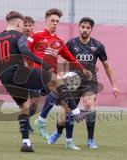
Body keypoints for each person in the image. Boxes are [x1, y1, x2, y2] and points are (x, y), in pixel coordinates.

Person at [0, 11, 84, 152]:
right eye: (23, 25)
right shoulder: (19, 36)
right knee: (57, 80)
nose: (24, 27)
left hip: (4, 79)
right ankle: (76, 111)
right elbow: (24, 50)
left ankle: (26, 143)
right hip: (18, 73)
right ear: (18, 23)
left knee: (24, 107)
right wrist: (44, 65)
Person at [48, 17, 120, 149]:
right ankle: (58, 132)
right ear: (79, 27)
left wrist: (114, 85)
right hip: (72, 82)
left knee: (89, 104)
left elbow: (107, 66)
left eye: (88, 28)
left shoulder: (98, 46)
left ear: (91, 30)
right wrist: (60, 76)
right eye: (83, 27)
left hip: (90, 82)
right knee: (64, 115)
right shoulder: (71, 43)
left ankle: (90, 140)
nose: (85, 29)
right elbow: (62, 61)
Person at [26, 9, 91, 143]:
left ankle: (67, 140)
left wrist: (83, 70)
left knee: (65, 106)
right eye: (52, 20)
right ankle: (76, 112)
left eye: (57, 21)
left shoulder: (59, 42)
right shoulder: (36, 35)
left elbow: (72, 58)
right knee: (58, 86)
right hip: (37, 74)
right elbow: (24, 51)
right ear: (46, 21)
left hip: (50, 77)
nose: (55, 23)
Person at [23, 16, 35, 133]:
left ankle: (25, 119)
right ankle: (25, 124)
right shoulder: (18, 39)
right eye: (25, 25)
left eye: (29, 25)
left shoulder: (36, 38)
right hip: (21, 74)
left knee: (35, 103)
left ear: (33, 26)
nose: (27, 28)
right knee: (25, 101)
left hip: (34, 74)